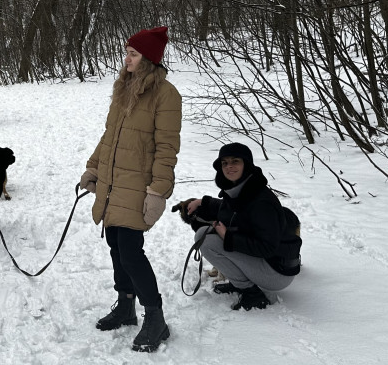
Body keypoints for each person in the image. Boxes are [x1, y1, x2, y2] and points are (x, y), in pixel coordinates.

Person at [79, 26, 180, 353]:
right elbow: (109, 135)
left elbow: (167, 148)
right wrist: (93, 168)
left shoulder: (166, 95)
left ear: (149, 58)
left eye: (133, 54)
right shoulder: (123, 88)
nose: (127, 59)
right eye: (127, 52)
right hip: (113, 181)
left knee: (130, 249)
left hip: (139, 185)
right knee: (115, 243)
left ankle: (156, 318)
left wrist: (157, 192)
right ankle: (125, 306)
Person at [176, 142, 301, 310]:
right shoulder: (242, 189)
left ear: (246, 164)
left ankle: (251, 293)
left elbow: (267, 247)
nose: (229, 167)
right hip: (269, 264)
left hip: (276, 272)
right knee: (206, 234)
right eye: (225, 163)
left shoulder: (261, 201)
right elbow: (233, 209)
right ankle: (239, 283)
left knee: (204, 240)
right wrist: (202, 202)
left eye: (235, 161)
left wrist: (228, 237)